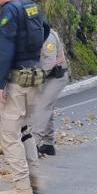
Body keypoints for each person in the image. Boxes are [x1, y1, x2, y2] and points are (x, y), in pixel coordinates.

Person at [0, 0, 49, 194]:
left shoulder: (9, 11)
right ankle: (34, 180)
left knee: (9, 135)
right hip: (35, 78)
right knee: (24, 130)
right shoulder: (31, 6)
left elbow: (5, 49)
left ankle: (22, 189)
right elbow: (46, 29)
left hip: (17, 81)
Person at [26, 28, 69, 161]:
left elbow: (49, 63)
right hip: (46, 77)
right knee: (46, 107)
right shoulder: (34, 34)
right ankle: (48, 144)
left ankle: (34, 144)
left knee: (42, 107)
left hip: (56, 76)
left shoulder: (47, 36)